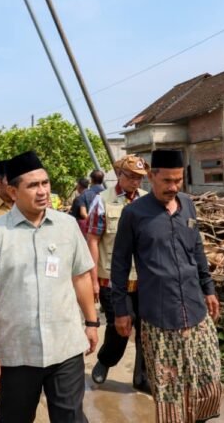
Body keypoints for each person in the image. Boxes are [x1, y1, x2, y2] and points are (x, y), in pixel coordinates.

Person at [0, 150, 99, 423]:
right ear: (13, 192)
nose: (42, 191)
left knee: (71, 417)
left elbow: (81, 277)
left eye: (45, 183)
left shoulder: (67, 225)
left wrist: (91, 322)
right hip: (16, 351)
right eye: (32, 185)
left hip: (65, 346)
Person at [111, 150, 222, 422]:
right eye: (167, 181)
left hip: (195, 310)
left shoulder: (187, 205)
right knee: (170, 389)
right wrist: (121, 309)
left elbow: (197, 250)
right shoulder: (134, 214)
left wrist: (208, 288)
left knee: (208, 377)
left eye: (178, 180)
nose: (173, 187)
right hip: (159, 316)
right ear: (151, 177)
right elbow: (120, 264)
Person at [86, 155, 150, 393]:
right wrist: (93, 279)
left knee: (146, 330)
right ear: (119, 175)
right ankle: (106, 360)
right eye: (131, 176)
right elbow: (92, 240)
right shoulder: (102, 201)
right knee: (119, 329)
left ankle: (141, 377)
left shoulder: (148, 201)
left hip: (144, 281)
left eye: (140, 178)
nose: (136, 182)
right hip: (111, 280)